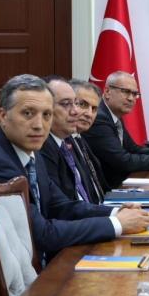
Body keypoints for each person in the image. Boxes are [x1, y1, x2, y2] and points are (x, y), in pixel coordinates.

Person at [0, 74, 149, 263]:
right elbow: (42, 235)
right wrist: (116, 224)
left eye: (46, 115)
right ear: (3, 115)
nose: (39, 125)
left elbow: (61, 206)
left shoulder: (30, 152)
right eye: (28, 113)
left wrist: (116, 212)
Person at [83, 71, 149, 189]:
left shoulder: (114, 114)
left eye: (135, 94)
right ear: (107, 92)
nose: (131, 98)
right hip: (108, 189)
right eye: (125, 91)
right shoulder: (99, 117)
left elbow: (133, 149)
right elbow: (123, 161)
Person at [39, 77, 104, 205]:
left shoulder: (67, 141)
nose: (75, 111)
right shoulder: (42, 146)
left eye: (75, 103)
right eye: (66, 104)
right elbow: (59, 207)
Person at [69, 78, 110, 198]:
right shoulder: (61, 144)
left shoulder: (80, 139)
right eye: (83, 104)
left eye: (94, 109)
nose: (89, 114)